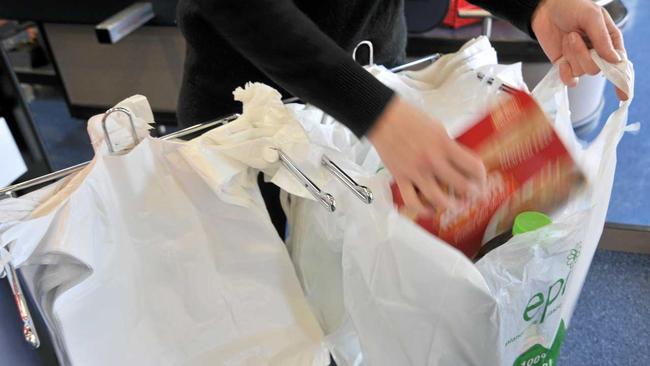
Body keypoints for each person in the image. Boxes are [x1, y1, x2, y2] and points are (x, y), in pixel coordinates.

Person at [176, 0, 626, 221]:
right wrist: (376, 112)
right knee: (262, 315)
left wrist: (535, 5)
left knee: (364, 299)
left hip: (378, 76)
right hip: (247, 117)